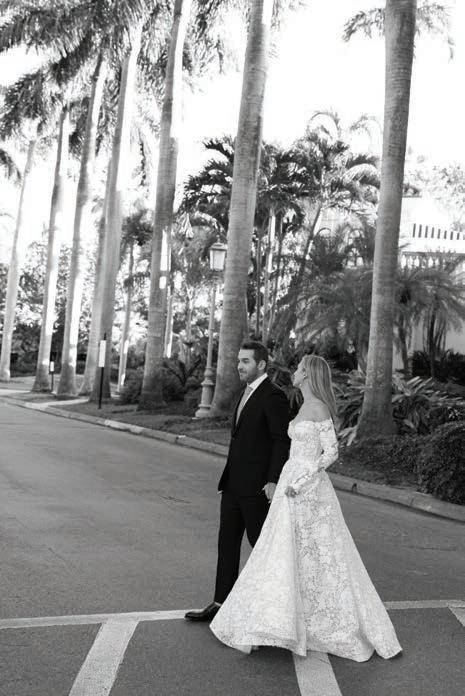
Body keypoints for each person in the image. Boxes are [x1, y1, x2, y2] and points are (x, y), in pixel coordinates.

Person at [210, 354, 402, 662]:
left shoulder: (318, 408)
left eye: (299, 369)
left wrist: (302, 480)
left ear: (308, 375)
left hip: (307, 487)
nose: (295, 373)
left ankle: (319, 621)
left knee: (318, 555)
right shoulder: (301, 406)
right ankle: (275, 620)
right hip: (290, 482)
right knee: (283, 552)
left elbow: (331, 452)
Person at [185, 341, 290, 623]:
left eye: (245, 361)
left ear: (261, 364)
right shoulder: (244, 393)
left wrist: (273, 480)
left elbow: (281, 441)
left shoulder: (274, 396)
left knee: (262, 548)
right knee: (227, 545)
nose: (239, 366)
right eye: (239, 361)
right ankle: (221, 604)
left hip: (257, 488)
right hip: (232, 484)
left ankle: (276, 610)